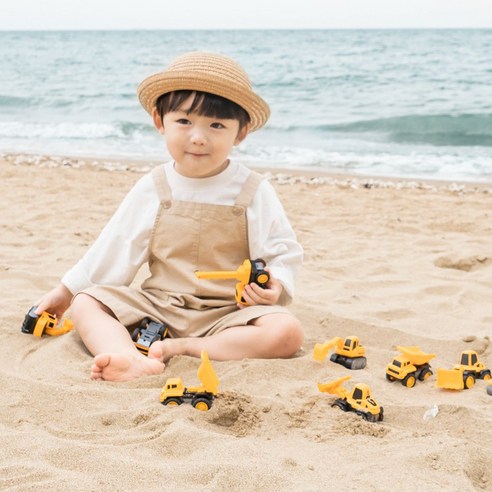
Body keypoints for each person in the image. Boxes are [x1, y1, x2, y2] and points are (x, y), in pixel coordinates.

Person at [36, 51, 304, 381]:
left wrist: (274, 286)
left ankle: (188, 348)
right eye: (184, 121)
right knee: (87, 303)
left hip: (228, 314)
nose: (198, 136)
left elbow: (282, 251)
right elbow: (115, 247)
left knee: (287, 332)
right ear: (159, 121)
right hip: (158, 306)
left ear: (241, 132)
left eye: (217, 125)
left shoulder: (251, 190)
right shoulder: (155, 186)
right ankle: (126, 357)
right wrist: (65, 293)